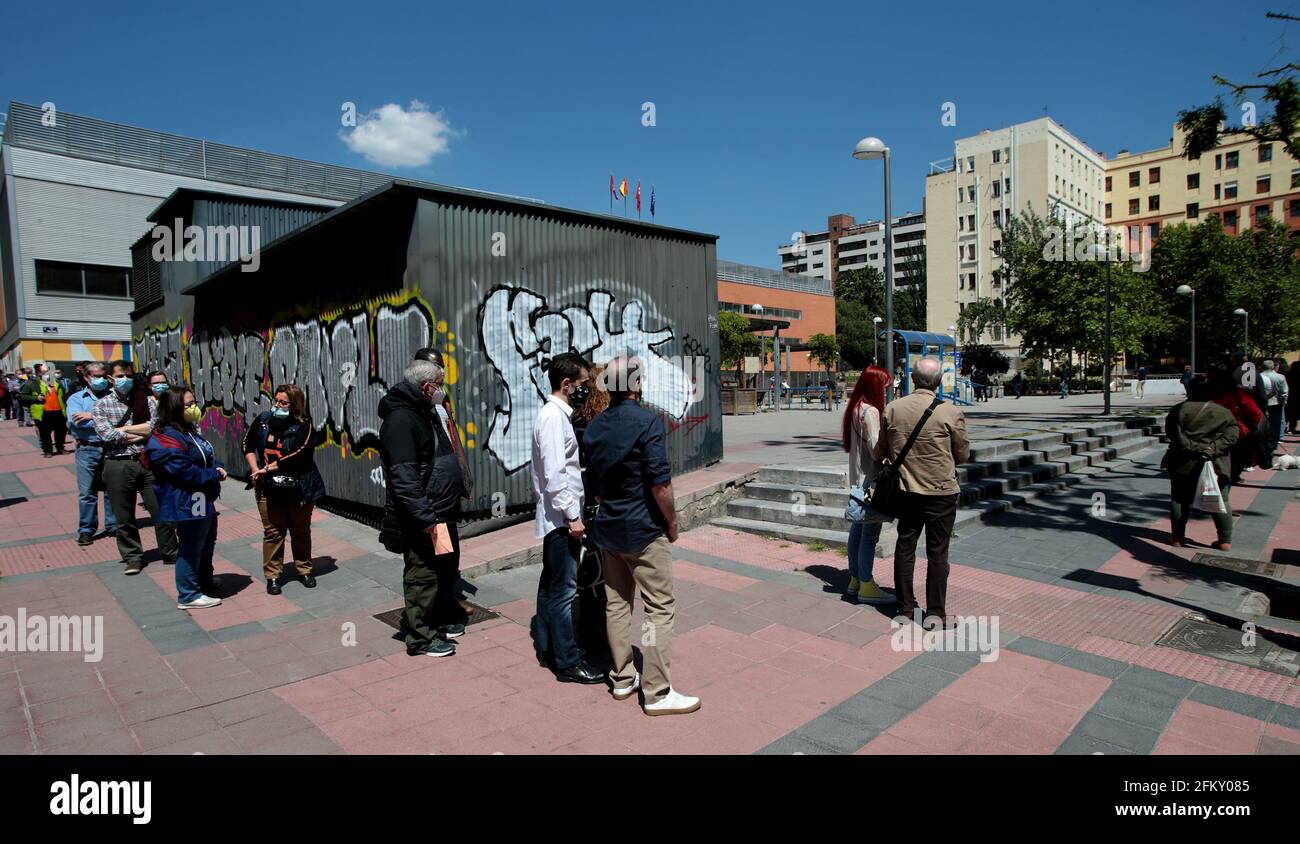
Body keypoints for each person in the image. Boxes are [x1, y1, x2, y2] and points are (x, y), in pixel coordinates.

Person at [585, 356, 699, 715]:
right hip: (644, 531)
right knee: (658, 609)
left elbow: (594, 485)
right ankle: (656, 690)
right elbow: (660, 483)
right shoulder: (648, 422)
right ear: (637, 384)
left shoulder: (595, 427)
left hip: (609, 529)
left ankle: (622, 678)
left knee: (617, 605)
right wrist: (673, 522)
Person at [873, 356, 969, 629]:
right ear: (939, 382)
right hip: (941, 492)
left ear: (913, 379)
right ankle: (936, 614)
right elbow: (962, 455)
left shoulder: (893, 409)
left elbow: (880, 452)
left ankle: (904, 610)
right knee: (938, 553)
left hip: (906, 490)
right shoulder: (951, 412)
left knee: (905, 548)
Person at [379, 359, 465, 657]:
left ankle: (436, 620)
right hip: (425, 516)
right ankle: (420, 637)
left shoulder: (423, 412)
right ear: (427, 387)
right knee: (422, 574)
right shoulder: (402, 421)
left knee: (442, 569)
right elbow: (404, 478)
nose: (443, 390)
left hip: (440, 512)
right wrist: (425, 517)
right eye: (440, 384)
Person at [529, 352, 603, 683]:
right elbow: (556, 474)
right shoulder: (553, 418)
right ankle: (568, 661)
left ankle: (549, 649)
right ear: (567, 384)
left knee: (551, 586)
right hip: (562, 520)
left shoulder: (556, 416)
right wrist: (574, 516)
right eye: (584, 383)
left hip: (558, 517)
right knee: (563, 591)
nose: (587, 388)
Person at [93, 360, 179, 575]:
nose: (126, 380)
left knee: (161, 510)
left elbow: (155, 427)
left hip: (147, 461)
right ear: (111, 378)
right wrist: (135, 434)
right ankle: (133, 556)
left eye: (129, 376)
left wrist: (123, 429)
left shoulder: (146, 401)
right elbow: (107, 435)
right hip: (118, 464)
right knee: (124, 515)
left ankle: (170, 551)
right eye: (121, 376)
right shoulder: (101, 405)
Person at [145, 386, 227, 609]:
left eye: (194, 402)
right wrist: (214, 474)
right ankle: (188, 594)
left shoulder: (187, 430)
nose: (194, 408)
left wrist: (216, 467)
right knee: (192, 544)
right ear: (174, 408)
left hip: (201, 495)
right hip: (188, 499)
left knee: (207, 540)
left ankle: (203, 581)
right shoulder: (166, 437)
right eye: (188, 404)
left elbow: (204, 455)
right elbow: (183, 471)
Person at [242, 384, 325, 595]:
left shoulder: (304, 426)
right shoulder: (263, 421)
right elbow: (247, 444)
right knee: (273, 532)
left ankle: (304, 570)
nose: (277, 405)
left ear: (295, 406)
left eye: (283, 402)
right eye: (276, 401)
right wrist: (255, 469)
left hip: (298, 486)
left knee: (300, 531)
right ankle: (273, 576)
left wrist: (267, 468)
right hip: (267, 487)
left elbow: (300, 455)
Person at [1165, 374, 1238, 550]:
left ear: (1189, 390)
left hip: (1183, 461)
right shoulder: (1223, 412)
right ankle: (1224, 539)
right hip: (1215, 462)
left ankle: (1177, 537)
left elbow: (1175, 436)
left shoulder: (1179, 410)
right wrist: (1211, 449)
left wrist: (1194, 448)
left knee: (1180, 499)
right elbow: (1232, 435)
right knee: (1220, 498)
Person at [841, 365, 893, 604]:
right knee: (870, 534)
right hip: (871, 482)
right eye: (885, 386)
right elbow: (875, 450)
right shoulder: (870, 412)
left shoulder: (854, 408)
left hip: (857, 480)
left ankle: (855, 579)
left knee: (858, 530)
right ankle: (866, 584)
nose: (887, 391)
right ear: (875, 385)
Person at [67, 362, 117, 545]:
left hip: (111, 446)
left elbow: (122, 418)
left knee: (112, 489)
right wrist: (104, 418)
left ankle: (113, 525)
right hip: (87, 449)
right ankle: (86, 529)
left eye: (103, 375)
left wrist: (91, 416)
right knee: (87, 491)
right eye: (96, 376)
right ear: (87, 378)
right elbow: (76, 423)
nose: (100, 379)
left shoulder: (115, 396)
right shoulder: (76, 399)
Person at [1211, 364, 1264, 485]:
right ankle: (1232, 476)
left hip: (1212, 431)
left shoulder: (1207, 393)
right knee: (1238, 457)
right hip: (1238, 431)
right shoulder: (1238, 394)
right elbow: (1255, 413)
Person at [20, 362, 68, 458]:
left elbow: (64, 395)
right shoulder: (31, 384)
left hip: (58, 411)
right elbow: (22, 396)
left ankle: (60, 448)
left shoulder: (57, 382)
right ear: (38, 373)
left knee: (61, 431)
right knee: (45, 433)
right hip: (42, 412)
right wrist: (36, 398)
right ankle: (48, 451)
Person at [1257, 359, 1289, 454]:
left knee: (1262, 425)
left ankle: (1262, 444)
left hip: (1261, 404)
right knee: (1275, 426)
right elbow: (1284, 392)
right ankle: (1273, 445)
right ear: (1273, 367)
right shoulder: (1280, 377)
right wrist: (1283, 402)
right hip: (1275, 403)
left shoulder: (1258, 376)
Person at [1287, 359, 1300, 436]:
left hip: (1290, 395)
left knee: (1288, 413)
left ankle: (1287, 427)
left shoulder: (1287, 374)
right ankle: (1292, 427)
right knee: (1294, 413)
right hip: (1296, 396)